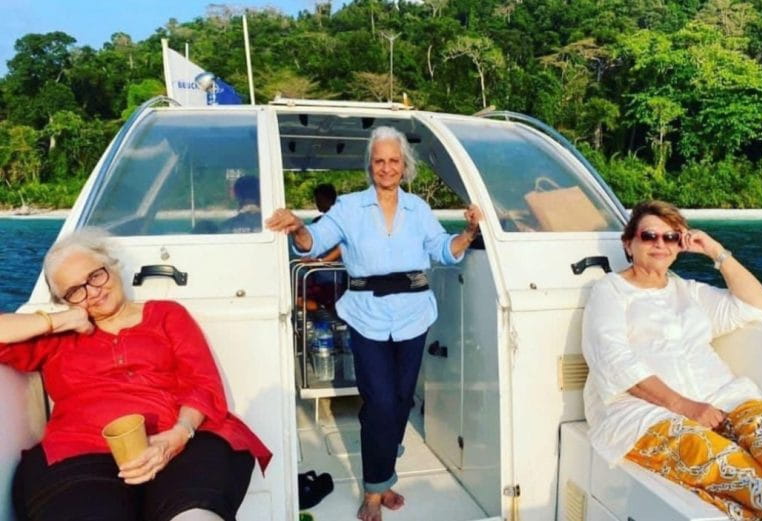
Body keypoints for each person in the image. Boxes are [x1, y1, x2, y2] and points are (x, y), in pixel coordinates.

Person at [266, 126, 482, 521]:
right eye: (379, 161)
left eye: (394, 161)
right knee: (380, 401)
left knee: (401, 401)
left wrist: (467, 233)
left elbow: (443, 253)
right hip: (366, 315)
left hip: (414, 315)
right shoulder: (348, 207)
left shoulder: (419, 210)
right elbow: (313, 242)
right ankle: (373, 489)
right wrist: (297, 226)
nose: (387, 168)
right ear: (370, 165)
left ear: (404, 166)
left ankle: (384, 475)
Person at [1, 229, 271, 521]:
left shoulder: (167, 315)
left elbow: (202, 383)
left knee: (195, 516)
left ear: (113, 266)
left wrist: (178, 435)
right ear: (64, 300)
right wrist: (59, 320)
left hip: (179, 439)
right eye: (75, 291)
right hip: (79, 452)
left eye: (95, 276)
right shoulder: (58, 335)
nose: (93, 292)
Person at [582, 200, 762, 521]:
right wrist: (685, 407)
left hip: (723, 396)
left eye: (670, 238)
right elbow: (614, 360)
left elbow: (760, 304)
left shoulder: (690, 292)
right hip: (644, 413)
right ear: (628, 243)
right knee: (724, 462)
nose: (660, 244)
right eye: (649, 236)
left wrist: (716, 251)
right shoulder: (610, 291)